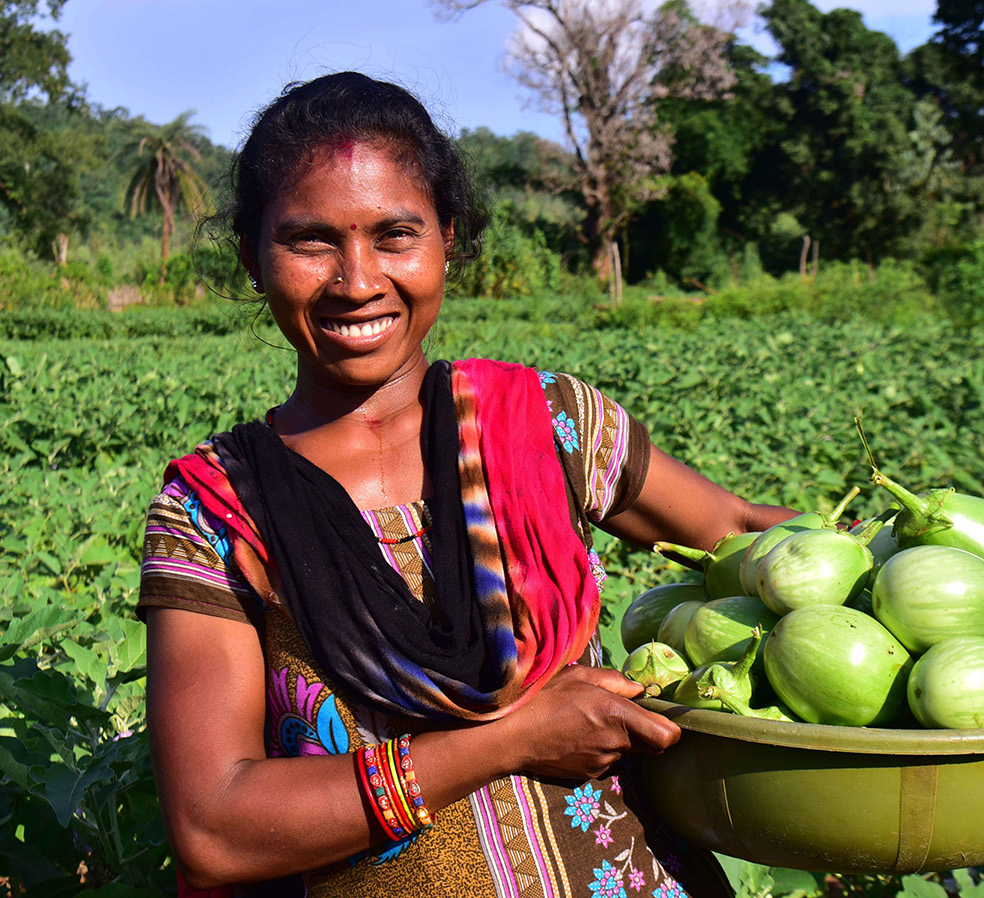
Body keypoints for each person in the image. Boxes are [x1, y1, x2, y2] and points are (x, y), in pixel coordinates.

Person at [139, 72, 798, 898]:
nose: (356, 281)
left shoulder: (546, 425)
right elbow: (214, 826)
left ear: (447, 238)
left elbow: (745, 535)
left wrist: (929, 561)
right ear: (252, 255)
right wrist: (511, 741)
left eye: (395, 235)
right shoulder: (214, 513)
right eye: (310, 241)